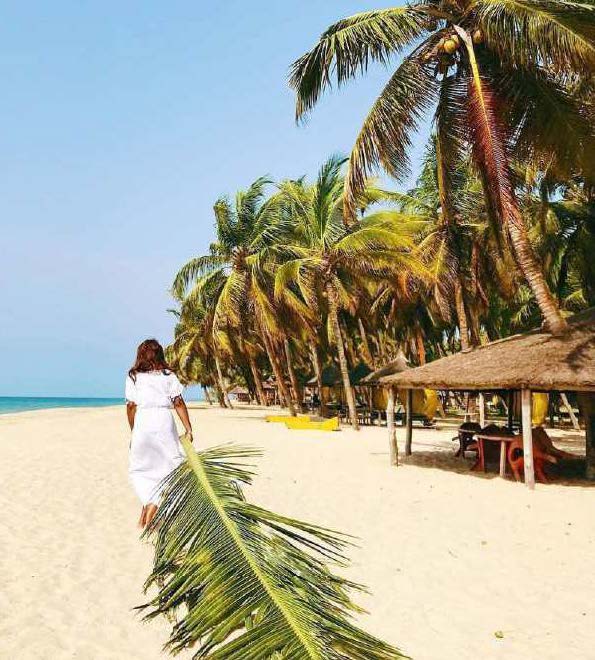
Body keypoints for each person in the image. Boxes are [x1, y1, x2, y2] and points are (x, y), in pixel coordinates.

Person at [125, 338, 193, 528]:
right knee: (170, 465)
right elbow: (178, 402)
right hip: (163, 420)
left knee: (141, 468)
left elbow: (131, 406)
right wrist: (188, 428)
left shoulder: (133, 376)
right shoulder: (168, 375)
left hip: (143, 420)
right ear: (160, 355)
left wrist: (133, 431)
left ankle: (148, 509)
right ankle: (153, 505)